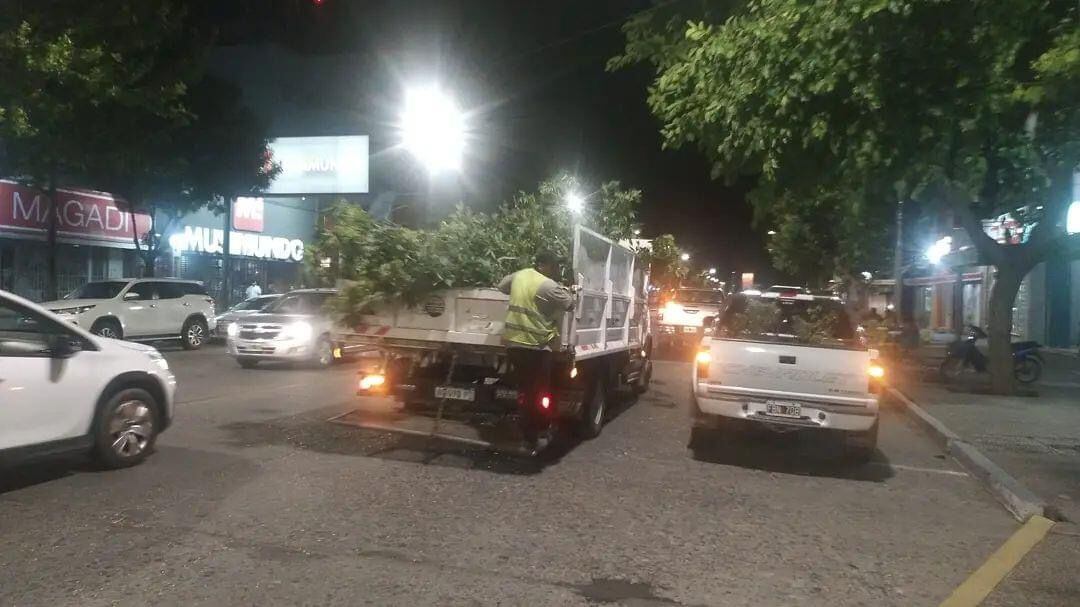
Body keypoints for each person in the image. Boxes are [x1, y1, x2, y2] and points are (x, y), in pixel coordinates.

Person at [497, 250, 574, 444]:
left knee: (525, 388)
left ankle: (525, 426)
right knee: (537, 392)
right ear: (544, 266)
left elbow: (501, 286)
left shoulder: (519, 275)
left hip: (513, 344)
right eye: (554, 266)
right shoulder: (548, 285)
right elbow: (570, 304)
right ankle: (533, 432)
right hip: (536, 347)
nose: (556, 269)